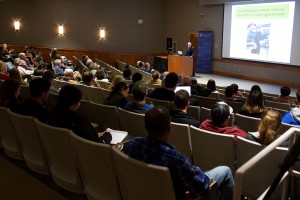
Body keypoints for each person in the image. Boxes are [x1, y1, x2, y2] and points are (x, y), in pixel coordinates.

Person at [124, 106, 234, 200]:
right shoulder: (178, 161)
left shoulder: (133, 143)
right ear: (169, 128)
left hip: (143, 193)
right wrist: (196, 170)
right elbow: (202, 188)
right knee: (225, 170)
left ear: (146, 126)